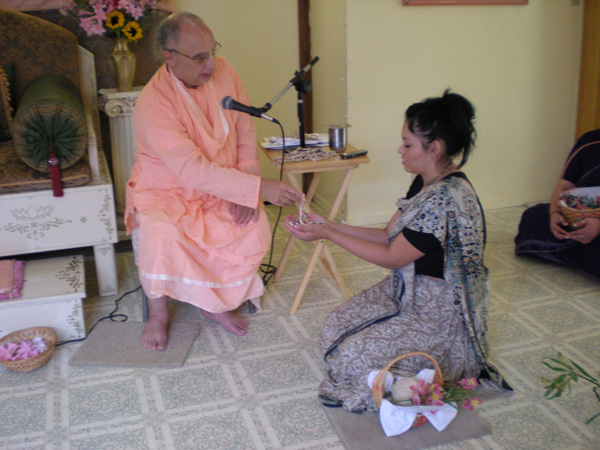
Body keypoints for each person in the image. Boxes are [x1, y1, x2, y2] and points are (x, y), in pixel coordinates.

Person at [283, 90, 508, 412]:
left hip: (438, 316)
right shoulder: (427, 181)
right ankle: (386, 376)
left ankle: (429, 377)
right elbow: (389, 235)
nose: (400, 150)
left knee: (350, 355)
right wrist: (328, 223)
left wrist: (327, 234)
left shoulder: (445, 198)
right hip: (407, 291)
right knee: (334, 326)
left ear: (435, 148)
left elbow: (392, 257)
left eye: (407, 144)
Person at [125, 12, 303, 351]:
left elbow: (244, 131)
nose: (210, 64)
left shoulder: (225, 72)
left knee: (248, 223)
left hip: (224, 182)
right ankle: (158, 314)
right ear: (170, 57)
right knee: (160, 234)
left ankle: (214, 305)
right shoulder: (153, 103)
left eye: (212, 51)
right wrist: (256, 189)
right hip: (166, 191)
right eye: (199, 57)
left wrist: (245, 189)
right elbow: (191, 170)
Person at [514, 129, 600, 279]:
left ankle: (575, 250)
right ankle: (579, 248)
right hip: (581, 214)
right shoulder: (590, 139)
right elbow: (564, 183)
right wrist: (555, 213)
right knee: (533, 216)